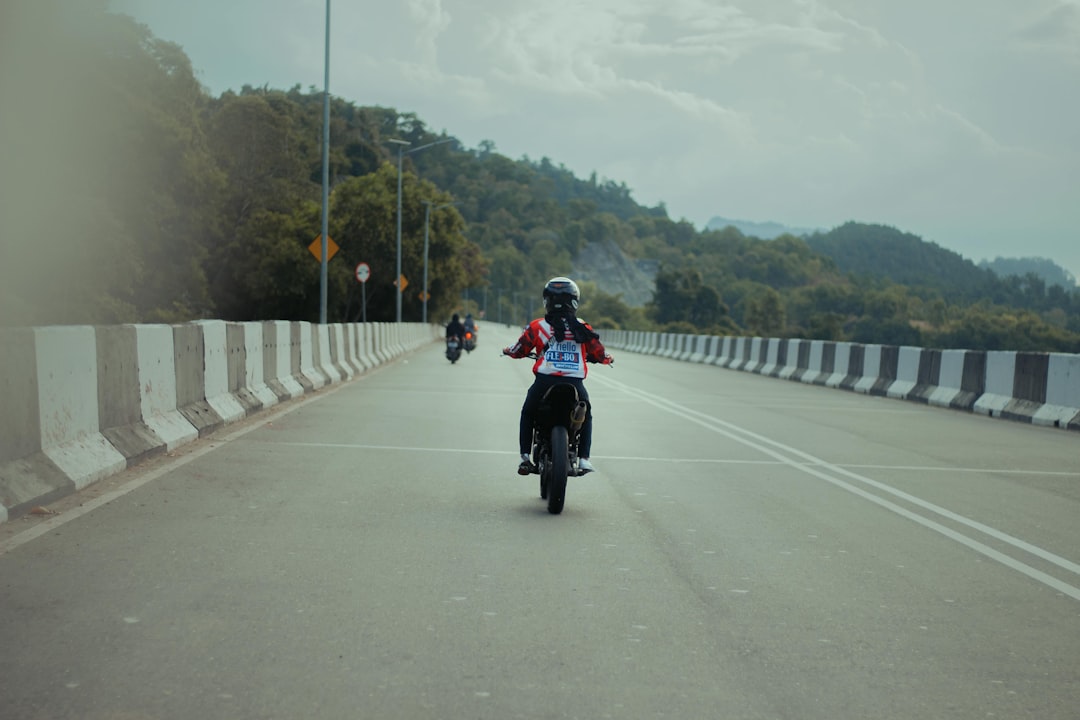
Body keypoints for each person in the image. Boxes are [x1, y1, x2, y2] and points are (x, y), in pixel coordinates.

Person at [502, 277, 612, 475]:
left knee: (528, 412)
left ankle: (525, 457)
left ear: (547, 302)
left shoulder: (537, 327)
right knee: (586, 415)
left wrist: (508, 351)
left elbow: (519, 349)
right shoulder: (582, 327)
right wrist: (607, 359)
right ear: (575, 301)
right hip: (575, 384)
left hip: (545, 382)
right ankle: (584, 458)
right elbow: (598, 352)